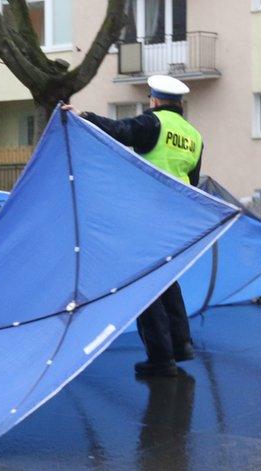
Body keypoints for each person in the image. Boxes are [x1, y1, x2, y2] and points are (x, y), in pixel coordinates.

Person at [62, 75, 202, 377]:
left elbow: (118, 130)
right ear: (179, 104)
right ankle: (182, 345)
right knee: (166, 279)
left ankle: (161, 359)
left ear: (154, 100)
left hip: (147, 217)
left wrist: (83, 118)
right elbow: (194, 183)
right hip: (176, 220)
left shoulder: (154, 124)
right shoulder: (194, 136)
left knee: (143, 284)